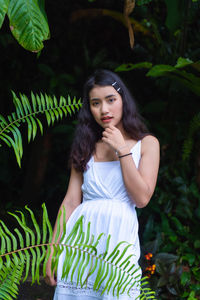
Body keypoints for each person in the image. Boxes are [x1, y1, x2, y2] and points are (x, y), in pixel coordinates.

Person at [45, 69, 160, 299]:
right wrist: (52, 250)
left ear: (123, 100)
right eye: (95, 103)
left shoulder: (147, 144)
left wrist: (123, 150)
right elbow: (70, 201)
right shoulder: (86, 145)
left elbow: (141, 198)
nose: (104, 110)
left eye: (110, 100)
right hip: (79, 243)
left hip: (118, 244)